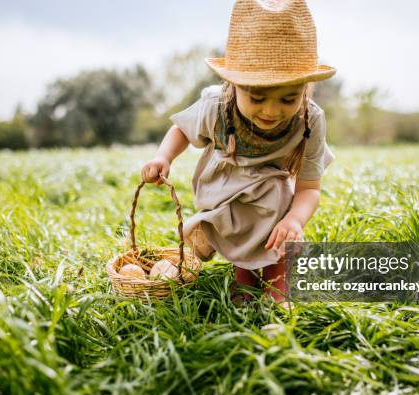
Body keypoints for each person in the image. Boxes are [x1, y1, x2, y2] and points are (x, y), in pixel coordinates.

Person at [141, 0, 336, 309]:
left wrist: (296, 220)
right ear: (233, 84)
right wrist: (164, 157)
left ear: (306, 88)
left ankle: (277, 284)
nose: (272, 111)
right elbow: (181, 129)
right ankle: (244, 278)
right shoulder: (216, 107)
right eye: (257, 97)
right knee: (240, 227)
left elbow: (309, 187)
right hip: (225, 187)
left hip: (275, 194)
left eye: (288, 98)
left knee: (276, 209)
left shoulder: (310, 119)